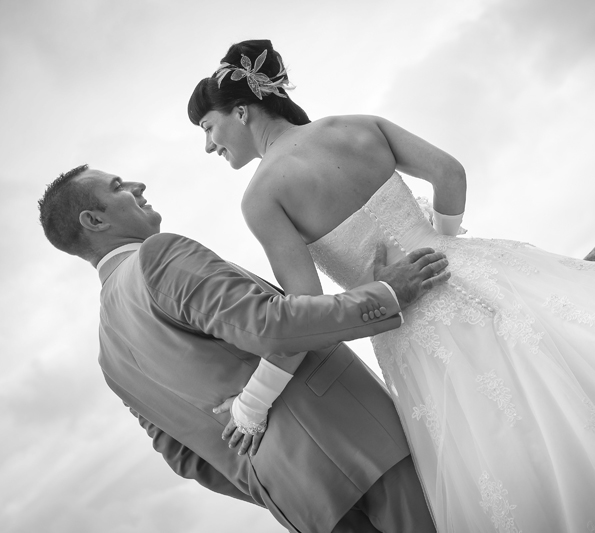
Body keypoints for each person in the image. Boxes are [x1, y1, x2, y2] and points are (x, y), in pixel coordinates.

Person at [188, 39, 595, 533]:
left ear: (242, 112)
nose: (209, 144)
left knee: (515, 450)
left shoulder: (263, 196)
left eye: (209, 127)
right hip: (476, 268)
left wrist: (253, 403)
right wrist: (440, 241)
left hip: (417, 330)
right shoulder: (357, 124)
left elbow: (307, 316)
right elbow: (449, 172)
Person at [37, 165, 450, 533]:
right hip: (364, 446)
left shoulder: (108, 358)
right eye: (117, 186)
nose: (137, 185)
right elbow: (272, 326)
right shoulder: (156, 257)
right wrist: (387, 294)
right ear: (94, 220)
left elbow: (184, 458)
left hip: (302, 506)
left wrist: (270, 479)